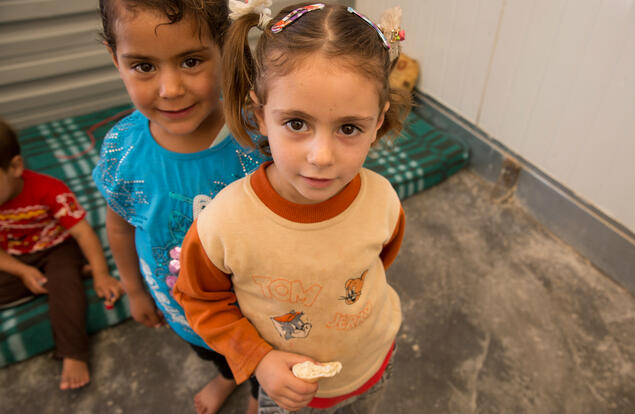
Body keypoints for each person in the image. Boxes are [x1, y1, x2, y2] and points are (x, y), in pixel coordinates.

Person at [173, 2, 410, 412]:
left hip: (372, 367)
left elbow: (377, 260)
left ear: (378, 123)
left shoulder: (382, 199)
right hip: (287, 391)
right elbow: (201, 300)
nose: (321, 156)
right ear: (260, 115)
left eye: (349, 128)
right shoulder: (224, 224)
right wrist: (259, 360)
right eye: (297, 123)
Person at [93, 0, 265, 412]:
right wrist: (134, 290)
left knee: (262, 360)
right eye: (144, 66)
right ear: (114, 57)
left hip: (257, 311)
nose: (170, 89)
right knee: (212, 353)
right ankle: (227, 377)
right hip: (179, 307)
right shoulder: (122, 150)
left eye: (191, 61)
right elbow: (119, 226)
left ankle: (263, 396)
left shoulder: (259, 140)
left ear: (225, 46)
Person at [0, 118, 124, 391]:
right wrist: (22, 271)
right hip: (14, 256)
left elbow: (83, 234)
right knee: (57, 282)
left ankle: (73, 352)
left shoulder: (50, 190)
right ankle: (63, 278)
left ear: (16, 167)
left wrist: (103, 275)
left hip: (57, 249)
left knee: (65, 286)